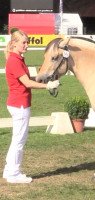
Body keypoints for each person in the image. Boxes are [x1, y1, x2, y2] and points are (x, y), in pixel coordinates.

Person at [3, 29, 60, 184]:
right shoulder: (15, 61)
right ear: (14, 44)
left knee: (17, 139)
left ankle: (9, 170)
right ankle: (14, 174)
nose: (27, 45)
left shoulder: (17, 59)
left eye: (27, 42)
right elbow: (27, 83)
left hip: (18, 103)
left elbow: (26, 79)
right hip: (20, 104)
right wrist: (48, 86)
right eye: (24, 42)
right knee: (19, 140)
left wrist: (41, 78)